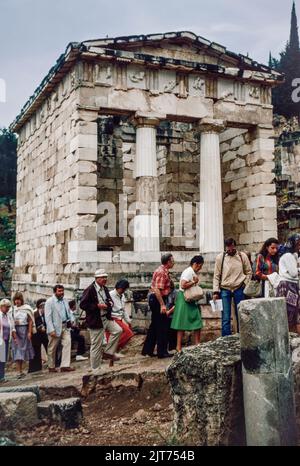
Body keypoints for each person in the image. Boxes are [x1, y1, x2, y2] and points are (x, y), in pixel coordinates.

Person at [79, 269, 122, 376]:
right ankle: (95, 368)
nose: (105, 279)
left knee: (118, 330)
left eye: (105, 277)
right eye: (103, 277)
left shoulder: (104, 289)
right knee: (96, 345)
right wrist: (97, 306)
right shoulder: (90, 290)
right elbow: (83, 305)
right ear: (97, 279)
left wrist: (109, 303)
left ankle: (108, 352)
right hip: (95, 320)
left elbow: (108, 299)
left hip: (105, 317)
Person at [213, 238, 252, 337]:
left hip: (239, 287)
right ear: (226, 247)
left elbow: (249, 272)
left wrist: (245, 283)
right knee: (226, 317)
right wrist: (215, 292)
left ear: (235, 246)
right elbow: (216, 275)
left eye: (232, 247)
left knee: (240, 314)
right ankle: (226, 339)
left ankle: (241, 337)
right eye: (228, 248)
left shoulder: (242, 256)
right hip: (225, 289)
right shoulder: (220, 258)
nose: (230, 250)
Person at [142, 253, 175, 359]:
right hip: (158, 298)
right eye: (172, 260)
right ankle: (162, 352)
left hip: (156, 298)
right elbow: (157, 289)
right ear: (168, 261)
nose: (174, 262)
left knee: (155, 325)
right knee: (162, 325)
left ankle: (148, 350)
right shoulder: (161, 272)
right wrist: (162, 305)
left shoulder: (163, 271)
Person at [171, 255, 204, 352]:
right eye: (200, 266)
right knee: (182, 322)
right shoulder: (188, 271)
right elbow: (183, 284)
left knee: (196, 320)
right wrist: (193, 282)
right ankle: (180, 346)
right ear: (195, 264)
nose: (200, 268)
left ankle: (196, 343)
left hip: (189, 299)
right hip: (185, 298)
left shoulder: (191, 271)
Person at [45, 285, 75, 373]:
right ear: (55, 292)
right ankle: (51, 366)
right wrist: (51, 329)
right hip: (55, 327)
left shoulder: (65, 300)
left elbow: (68, 311)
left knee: (67, 343)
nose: (61, 292)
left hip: (65, 325)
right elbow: (48, 317)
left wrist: (72, 319)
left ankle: (65, 365)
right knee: (52, 347)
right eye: (59, 291)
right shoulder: (50, 302)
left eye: (62, 291)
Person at [276, 233, 300, 333]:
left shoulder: (291, 255)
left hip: (290, 285)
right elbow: (294, 273)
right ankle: (289, 336)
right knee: (289, 313)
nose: (299, 246)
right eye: (298, 244)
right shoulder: (288, 256)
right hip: (287, 286)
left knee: (292, 313)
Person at [10, 292, 35, 378]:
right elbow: (10, 320)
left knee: (23, 350)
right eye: (15, 300)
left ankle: (22, 370)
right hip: (15, 331)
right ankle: (19, 371)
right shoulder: (12, 309)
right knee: (17, 350)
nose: (17, 302)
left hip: (24, 330)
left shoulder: (27, 308)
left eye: (18, 300)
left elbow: (30, 320)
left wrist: (29, 332)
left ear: (21, 300)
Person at [107, 279, 134, 352]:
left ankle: (112, 351)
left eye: (124, 289)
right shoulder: (110, 295)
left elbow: (123, 309)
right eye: (122, 289)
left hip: (119, 317)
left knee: (123, 335)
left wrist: (128, 321)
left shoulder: (122, 296)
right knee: (128, 333)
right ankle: (110, 350)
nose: (122, 290)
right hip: (112, 318)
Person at [28, 299, 49, 373]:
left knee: (49, 348)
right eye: (42, 306)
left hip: (45, 334)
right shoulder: (34, 313)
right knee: (36, 351)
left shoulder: (47, 313)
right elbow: (32, 323)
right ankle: (35, 368)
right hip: (36, 334)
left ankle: (53, 364)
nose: (43, 308)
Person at [0, 299, 16, 382]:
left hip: (6, 341)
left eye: (9, 307)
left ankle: (1, 377)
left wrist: (15, 338)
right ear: (1, 306)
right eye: (7, 307)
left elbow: (12, 328)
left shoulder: (8, 315)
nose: (8, 309)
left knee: (3, 359)